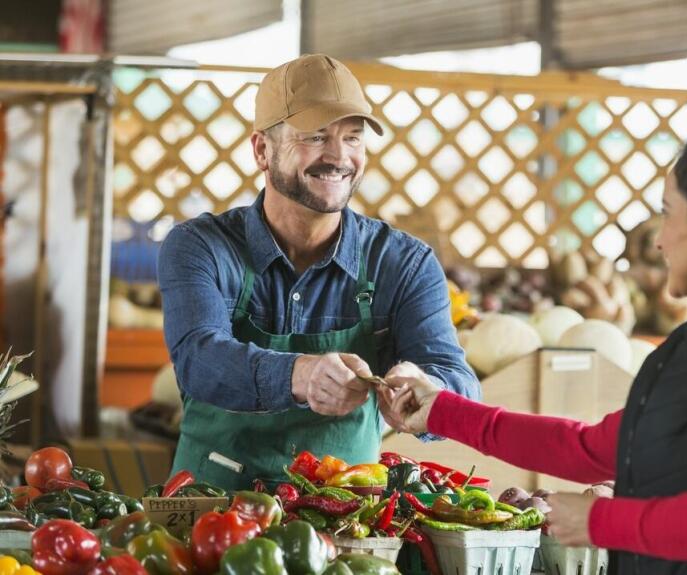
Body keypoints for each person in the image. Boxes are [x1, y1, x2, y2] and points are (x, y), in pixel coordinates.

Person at [379, 122, 687, 574]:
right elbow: (590, 449)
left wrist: (599, 520)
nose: (659, 241)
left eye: (667, 214)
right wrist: (440, 410)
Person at [158, 54, 480, 489]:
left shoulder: (405, 263)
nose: (339, 156)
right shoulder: (200, 246)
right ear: (262, 150)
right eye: (315, 136)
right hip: (209, 506)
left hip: (347, 513)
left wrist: (428, 389)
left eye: (353, 137)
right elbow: (199, 359)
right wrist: (300, 375)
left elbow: (459, 382)